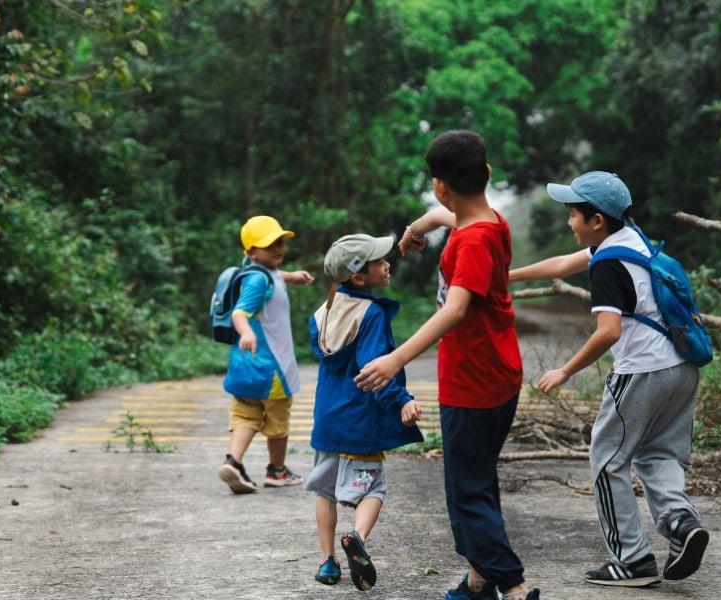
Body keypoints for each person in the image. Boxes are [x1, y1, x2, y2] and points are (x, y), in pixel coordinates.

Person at [355, 131, 540, 600]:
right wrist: (414, 232)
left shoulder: (474, 241)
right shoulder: (490, 221)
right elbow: (442, 216)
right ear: (487, 174)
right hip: (495, 372)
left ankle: (514, 587)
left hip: (475, 382)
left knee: (466, 492)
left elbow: (455, 309)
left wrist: (395, 358)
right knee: (475, 479)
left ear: (440, 184)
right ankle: (478, 582)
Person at [509, 171, 709, 587]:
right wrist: (506, 276)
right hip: (681, 368)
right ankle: (681, 523)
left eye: (572, 215)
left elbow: (608, 332)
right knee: (658, 455)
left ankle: (632, 560)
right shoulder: (631, 240)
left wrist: (565, 370)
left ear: (596, 220)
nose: (568, 222)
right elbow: (563, 264)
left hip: (641, 372)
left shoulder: (607, 266)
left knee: (607, 460)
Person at [306, 233, 424, 591]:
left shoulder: (321, 314)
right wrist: (402, 398)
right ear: (359, 277)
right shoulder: (370, 313)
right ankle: (356, 537)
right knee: (374, 489)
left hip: (327, 420)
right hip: (360, 420)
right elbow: (374, 368)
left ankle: (329, 562)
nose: (387, 264)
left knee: (325, 492)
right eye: (379, 261)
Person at [218, 215, 314, 494]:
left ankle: (233, 462)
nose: (278, 247)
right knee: (277, 421)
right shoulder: (258, 282)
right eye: (269, 243)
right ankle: (277, 470)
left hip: (244, 366)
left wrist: (292, 277)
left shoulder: (256, 272)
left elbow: (270, 276)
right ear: (250, 252)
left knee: (245, 415)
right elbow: (240, 312)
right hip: (271, 367)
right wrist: (246, 331)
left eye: (280, 241)